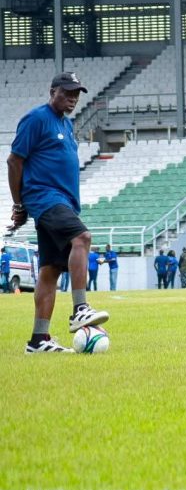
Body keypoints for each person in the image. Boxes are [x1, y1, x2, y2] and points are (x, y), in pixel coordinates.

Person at [7, 71, 108, 352]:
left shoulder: (67, 124)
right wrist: (20, 204)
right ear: (53, 92)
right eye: (67, 92)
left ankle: (39, 340)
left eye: (77, 94)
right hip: (46, 198)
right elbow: (14, 161)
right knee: (82, 238)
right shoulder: (37, 119)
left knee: (50, 271)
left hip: (61, 201)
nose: (73, 98)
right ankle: (81, 309)